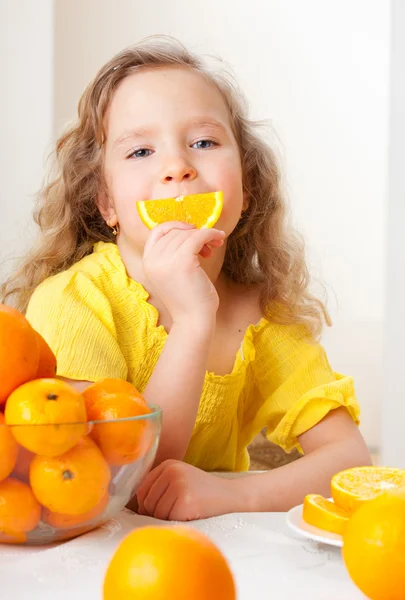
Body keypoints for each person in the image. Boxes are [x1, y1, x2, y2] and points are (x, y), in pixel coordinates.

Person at [1, 37, 371, 521]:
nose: (176, 167)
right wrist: (195, 319)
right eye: (140, 151)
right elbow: (118, 477)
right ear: (106, 202)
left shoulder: (262, 316)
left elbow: (350, 461)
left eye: (203, 142)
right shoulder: (73, 301)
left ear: (248, 183)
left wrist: (236, 496)